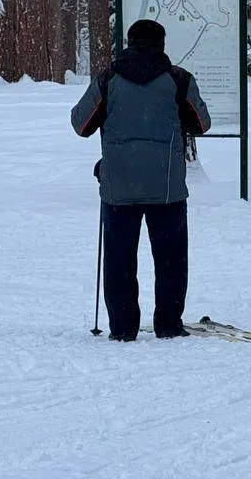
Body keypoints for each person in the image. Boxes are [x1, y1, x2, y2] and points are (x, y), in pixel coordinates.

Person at [70, 19, 211, 341]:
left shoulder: (108, 78)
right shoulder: (178, 79)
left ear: (129, 43)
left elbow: (81, 125)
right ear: (162, 43)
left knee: (119, 259)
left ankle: (122, 329)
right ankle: (169, 325)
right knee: (171, 260)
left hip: (119, 186)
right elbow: (202, 123)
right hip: (167, 187)